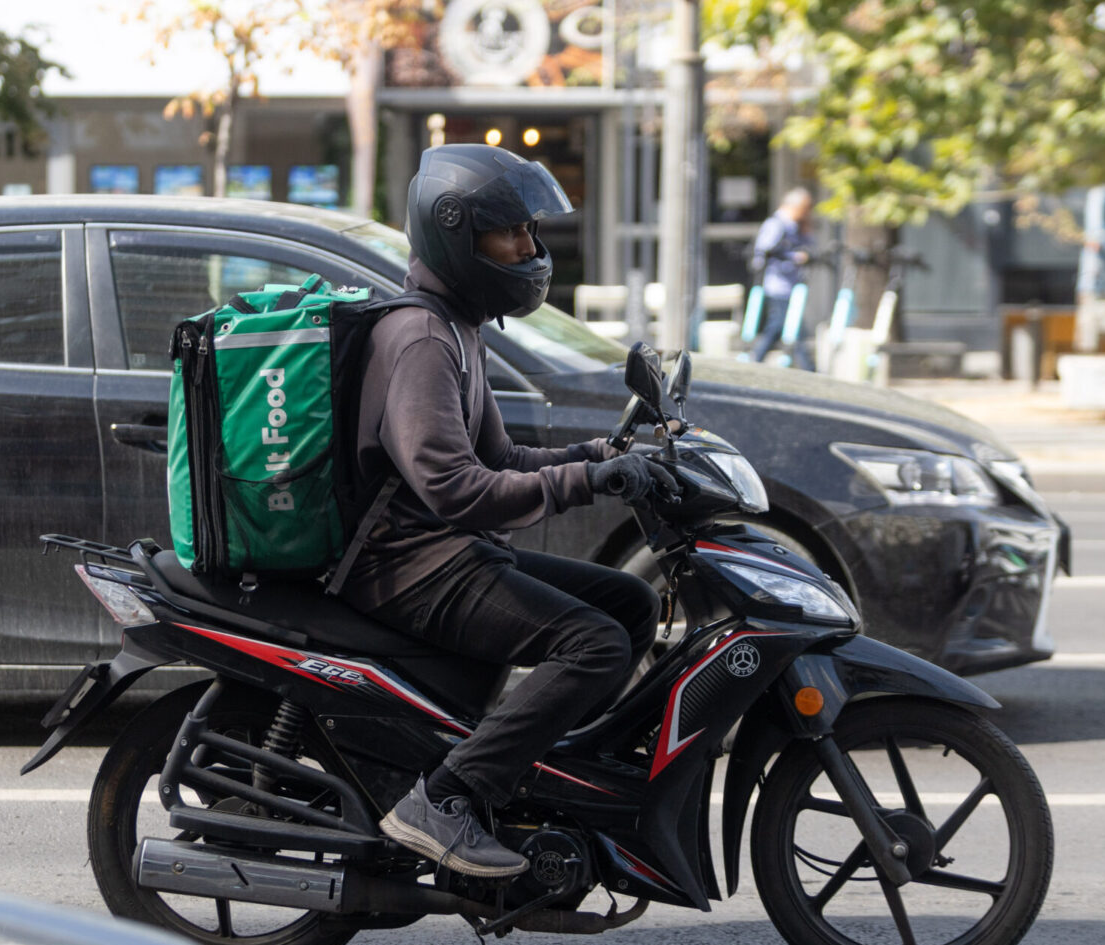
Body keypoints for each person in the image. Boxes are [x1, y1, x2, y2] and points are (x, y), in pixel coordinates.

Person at [344, 145, 669, 878]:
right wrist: (587, 483)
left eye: (529, 231)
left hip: (443, 550)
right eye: (511, 234)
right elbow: (455, 489)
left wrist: (598, 458)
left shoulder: (457, 327)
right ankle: (449, 796)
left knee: (630, 602)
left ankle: (536, 772)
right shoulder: (423, 336)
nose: (530, 249)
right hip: (408, 563)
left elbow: (503, 461)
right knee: (596, 645)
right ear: (456, 234)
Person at [747, 188, 814, 370]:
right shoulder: (776, 224)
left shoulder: (794, 225)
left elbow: (809, 245)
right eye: (805, 208)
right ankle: (810, 370)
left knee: (777, 326)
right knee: (789, 327)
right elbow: (765, 251)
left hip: (790, 285)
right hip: (778, 286)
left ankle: (755, 361)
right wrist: (793, 257)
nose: (807, 213)